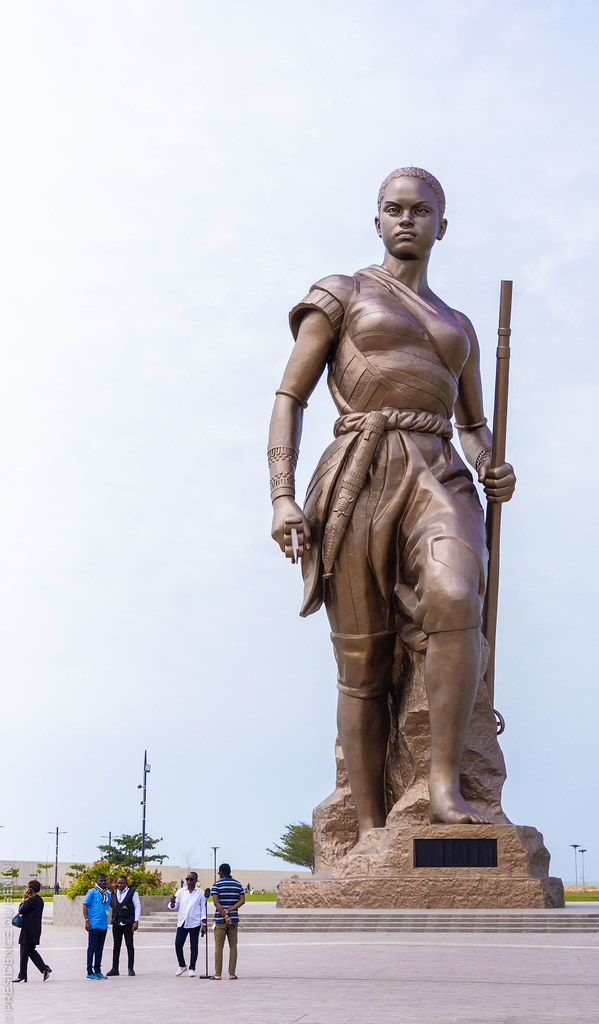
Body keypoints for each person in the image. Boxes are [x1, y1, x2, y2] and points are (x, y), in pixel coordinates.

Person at [268, 167, 516, 845]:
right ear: (376, 220)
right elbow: (290, 397)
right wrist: (282, 497)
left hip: (438, 471)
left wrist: (491, 462)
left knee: (454, 594)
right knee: (363, 664)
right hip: (358, 473)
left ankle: (443, 785)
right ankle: (372, 826)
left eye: (421, 210)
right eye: (392, 209)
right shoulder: (341, 294)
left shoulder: (459, 324)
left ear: (442, 224)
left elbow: (471, 424)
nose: (406, 220)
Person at [167, 870, 207, 977]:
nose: (189, 881)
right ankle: (182, 965)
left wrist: (204, 923)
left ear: (196, 880)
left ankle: (192, 968)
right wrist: (172, 902)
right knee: (178, 944)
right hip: (182, 922)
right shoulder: (181, 892)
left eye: (191, 879)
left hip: (195, 922)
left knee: (194, 946)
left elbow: (203, 908)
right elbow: (174, 906)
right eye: (187, 879)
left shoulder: (200, 893)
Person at [210, 863, 245, 980]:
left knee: (218, 947)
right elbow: (242, 901)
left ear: (221, 872)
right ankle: (232, 973)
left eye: (219, 872)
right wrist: (230, 910)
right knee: (233, 946)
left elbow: (216, 902)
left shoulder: (216, 885)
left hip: (220, 920)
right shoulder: (238, 884)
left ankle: (218, 974)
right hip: (234, 920)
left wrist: (225, 914)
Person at [13, 879, 51, 983]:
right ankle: (44, 969)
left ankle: (22, 975)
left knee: (24, 952)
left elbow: (21, 910)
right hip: (35, 929)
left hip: (28, 930)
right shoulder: (39, 900)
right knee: (30, 951)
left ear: (30, 889)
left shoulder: (31, 900)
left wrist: (23, 898)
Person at [106, 874, 140, 976]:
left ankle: (130, 968)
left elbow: (137, 907)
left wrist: (136, 921)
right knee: (116, 946)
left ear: (126, 883)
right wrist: (108, 916)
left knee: (129, 945)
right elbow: (107, 905)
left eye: (122, 883)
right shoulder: (113, 893)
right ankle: (115, 969)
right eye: (118, 883)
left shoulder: (133, 893)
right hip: (116, 923)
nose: (120, 885)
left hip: (128, 923)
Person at [83, 872, 112, 979]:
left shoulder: (107, 894)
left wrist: (112, 892)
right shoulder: (92, 892)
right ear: (97, 882)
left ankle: (98, 970)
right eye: (101, 881)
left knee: (100, 949)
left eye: (105, 881)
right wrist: (87, 921)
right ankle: (89, 972)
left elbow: (113, 906)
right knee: (92, 948)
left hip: (103, 925)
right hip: (93, 925)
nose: (103, 882)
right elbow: (85, 906)